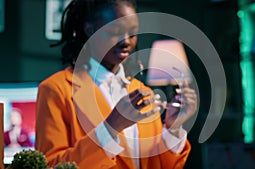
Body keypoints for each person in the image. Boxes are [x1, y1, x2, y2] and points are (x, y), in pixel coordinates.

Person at [35, 0, 198, 168]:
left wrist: (173, 129)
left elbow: (158, 165)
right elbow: (52, 165)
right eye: (115, 32)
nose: (126, 41)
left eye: (133, 33)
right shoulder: (56, 89)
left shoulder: (142, 91)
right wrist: (112, 126)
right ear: (90, 30)